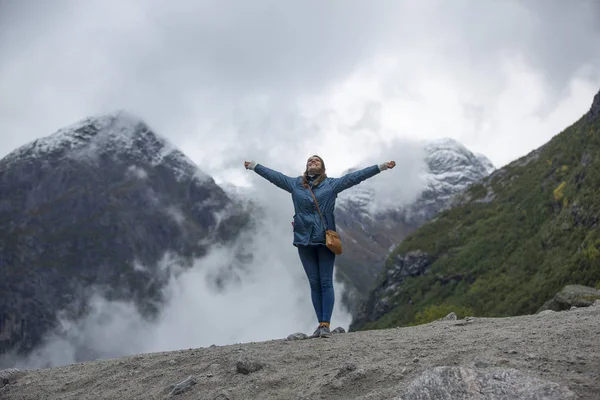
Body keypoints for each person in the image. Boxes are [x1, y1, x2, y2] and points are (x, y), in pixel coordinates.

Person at [244, 155, 396, 338]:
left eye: (316, 161)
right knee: (314, 284)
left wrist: (381, 167)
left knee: (325, 281)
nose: (312, 162)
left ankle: (325, 324)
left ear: (322, 167)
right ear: (306, 167)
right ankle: (320, 325)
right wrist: (254, 166)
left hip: (325, 240)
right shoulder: (295, 184)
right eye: (309, 161)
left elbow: (357, 176)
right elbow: (274, 176)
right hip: (303, 240)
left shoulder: (332, 185)